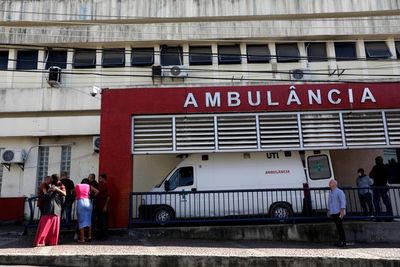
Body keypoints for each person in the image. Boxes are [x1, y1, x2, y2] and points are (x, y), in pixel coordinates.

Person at [33, 174, 66, 247]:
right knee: (50, 225)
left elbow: (64, 194)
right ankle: (46, 241)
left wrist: (55, 189)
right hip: (53, 208)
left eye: (50, 178)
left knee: (47, 225)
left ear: (53, 180)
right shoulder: (48, 185)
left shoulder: (58, 186)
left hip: (52, 207)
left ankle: (44, 241)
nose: (49, 180)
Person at [75, 178, 99, 243]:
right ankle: (89, 237)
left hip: (80, 202)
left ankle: (82, 239)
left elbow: (75, 194)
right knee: (89, 220)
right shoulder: (89, 186)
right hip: (88, 202)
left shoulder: (77, 185)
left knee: (81, 221)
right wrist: (92, 196)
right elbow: (97, 191)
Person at [327, 179, 346, 247]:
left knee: (340, 227)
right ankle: (340, 241)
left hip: (339, 212)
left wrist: (342, 211)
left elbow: (343, 202)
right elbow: (329, 202)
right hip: (334, 212)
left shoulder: (339, 192)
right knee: (338, 227)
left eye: (330, 183)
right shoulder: (331, 192)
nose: (329, 184)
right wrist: (328, 210)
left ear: (335, 184)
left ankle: (343, 242)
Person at [96, 173, 110, 240]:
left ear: (104, 178)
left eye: (100, 178)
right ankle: (100, 235)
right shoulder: (100, 185)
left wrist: (105, 206)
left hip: (103, 206)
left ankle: (105, 236)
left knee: (104, 221)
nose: (99, 179)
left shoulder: (107, 185)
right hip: (99, 205)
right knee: (100, 221)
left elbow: (108, 196)